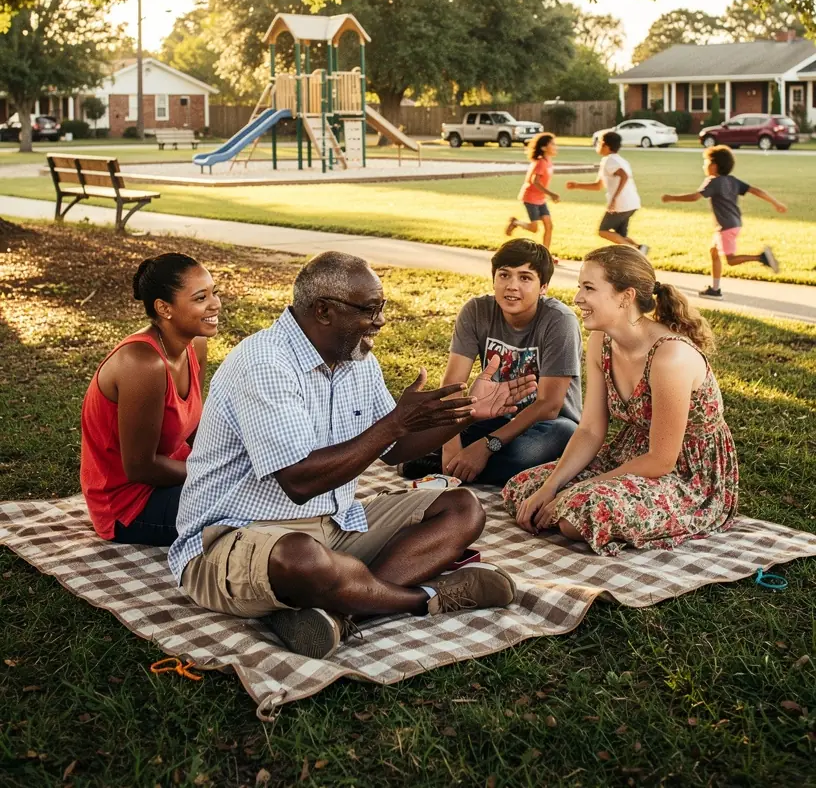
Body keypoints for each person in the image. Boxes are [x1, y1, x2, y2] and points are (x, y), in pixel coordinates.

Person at [169, 252, 536, 660]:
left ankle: (336, 609)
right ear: (323, 311)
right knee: (303, 559)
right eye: (369, 309)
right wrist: (396, 422)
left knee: (462, 508)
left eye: (381, 307)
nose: (380, 320)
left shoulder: (356, 359)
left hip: (332, 525)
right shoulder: (265, 363)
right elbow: (299, 482)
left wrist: (466, 413)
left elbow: (393, 448)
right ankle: (423, 598)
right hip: (231, 539)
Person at [503, 246, 739, 555]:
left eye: (589, 288)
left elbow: (661, 459)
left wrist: (582, 489)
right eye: (579, 287)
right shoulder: (601, 340)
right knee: (523, 487)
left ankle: (580, 503)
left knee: (579, 516)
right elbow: (589, 430)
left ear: (625, 297)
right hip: (631, 456)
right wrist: (552, 486)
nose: (577, 298)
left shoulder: (670, 356)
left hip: (687, 475)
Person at [399, 239, 582, 487]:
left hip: (545, 424)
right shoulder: (476, 311)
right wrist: (450, 446)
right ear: (494, 279)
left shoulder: (559, 321)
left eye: (525, 278)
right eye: (504, 275)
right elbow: (453, 384)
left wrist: (485, 448)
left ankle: (445, 465)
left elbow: (549, 405)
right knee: (416, 430)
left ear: (543, 287)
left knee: (544, 443)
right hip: (492, 413)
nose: (512, 286)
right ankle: (462, 465)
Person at [81, 254, 219, 546]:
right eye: (200, 298)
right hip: (128, 504)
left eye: (213, 292)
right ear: (164, 308)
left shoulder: (196, 343)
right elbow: (140, 467)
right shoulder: (142, 364)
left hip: (173, 473)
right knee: (249, 508)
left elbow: (195, 427)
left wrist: (225, 463)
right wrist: (211, 474)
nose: (215, 304)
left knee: (262, 487)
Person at [661, 145, 786, 298]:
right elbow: (756, 190)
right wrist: (775, 203)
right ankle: (715, 289)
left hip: (726, 227)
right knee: (714, 252)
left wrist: (671, 198)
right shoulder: (732, 181)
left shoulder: (713, 182)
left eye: (706, 162)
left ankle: (761, 258)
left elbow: (694, 197)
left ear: (714, 166)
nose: (704, 166)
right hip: (734, 223)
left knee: (731, 260)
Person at [565, 130, 648, 252]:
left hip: (621, 204)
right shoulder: (619, 160)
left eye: (599, 143)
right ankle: (641, 249)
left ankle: (637, 251)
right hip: (631, 203)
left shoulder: (609, 160)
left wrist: (614, 199)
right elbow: (598, 185)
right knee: (621, 237)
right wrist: (577, 185)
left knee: (603, 230)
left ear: (606, 145)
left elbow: (623, 176)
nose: (597, 146)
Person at [505, 132, 560, 252]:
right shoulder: (541, 162)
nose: (556, 146)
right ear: (544, 148)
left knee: (549, 226)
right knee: (534, 228)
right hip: (530, 197)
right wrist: (551, 194)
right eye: (552, 144)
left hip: (540, 199)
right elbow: (535, 181)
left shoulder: (548, 161)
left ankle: (546, 254)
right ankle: (515, 222)